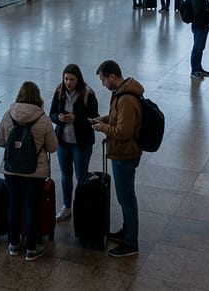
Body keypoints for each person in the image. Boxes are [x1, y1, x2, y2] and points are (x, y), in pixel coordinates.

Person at [0, 81, 58, 261]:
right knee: (32, 208)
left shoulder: (9, 115)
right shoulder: (43, 118)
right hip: (35, 172)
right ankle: (31, 248)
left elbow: (0, 141)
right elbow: (53, 147)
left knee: (14, 206)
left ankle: (13, 245)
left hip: (12, 170)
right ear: (38, 97)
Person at [91, 60, 143, 258]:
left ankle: (131, 242)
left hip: (125, 153)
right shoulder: (121, 93)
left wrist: (104, 128)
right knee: (125, 197)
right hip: (123, 152)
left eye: (104, 80)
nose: (103, 84)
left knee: (126, 198)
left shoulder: (126, 99)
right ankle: (126, 231)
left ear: (112, 76)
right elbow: (119, 119)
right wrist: (104, 119)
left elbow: (123, 131)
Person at [48, 64, 99, 223]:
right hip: (63, 141)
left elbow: (94, 118)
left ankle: (82, 207)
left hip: (81, 143)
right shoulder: (59, 91)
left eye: (71, 79)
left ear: (78, 79)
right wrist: (59, 118)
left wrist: (76, 119)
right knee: (65, 175)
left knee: (81, 176)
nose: (68, 82)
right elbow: (52, 114)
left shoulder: (87, 94)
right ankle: (66, 207)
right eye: (66, 79)